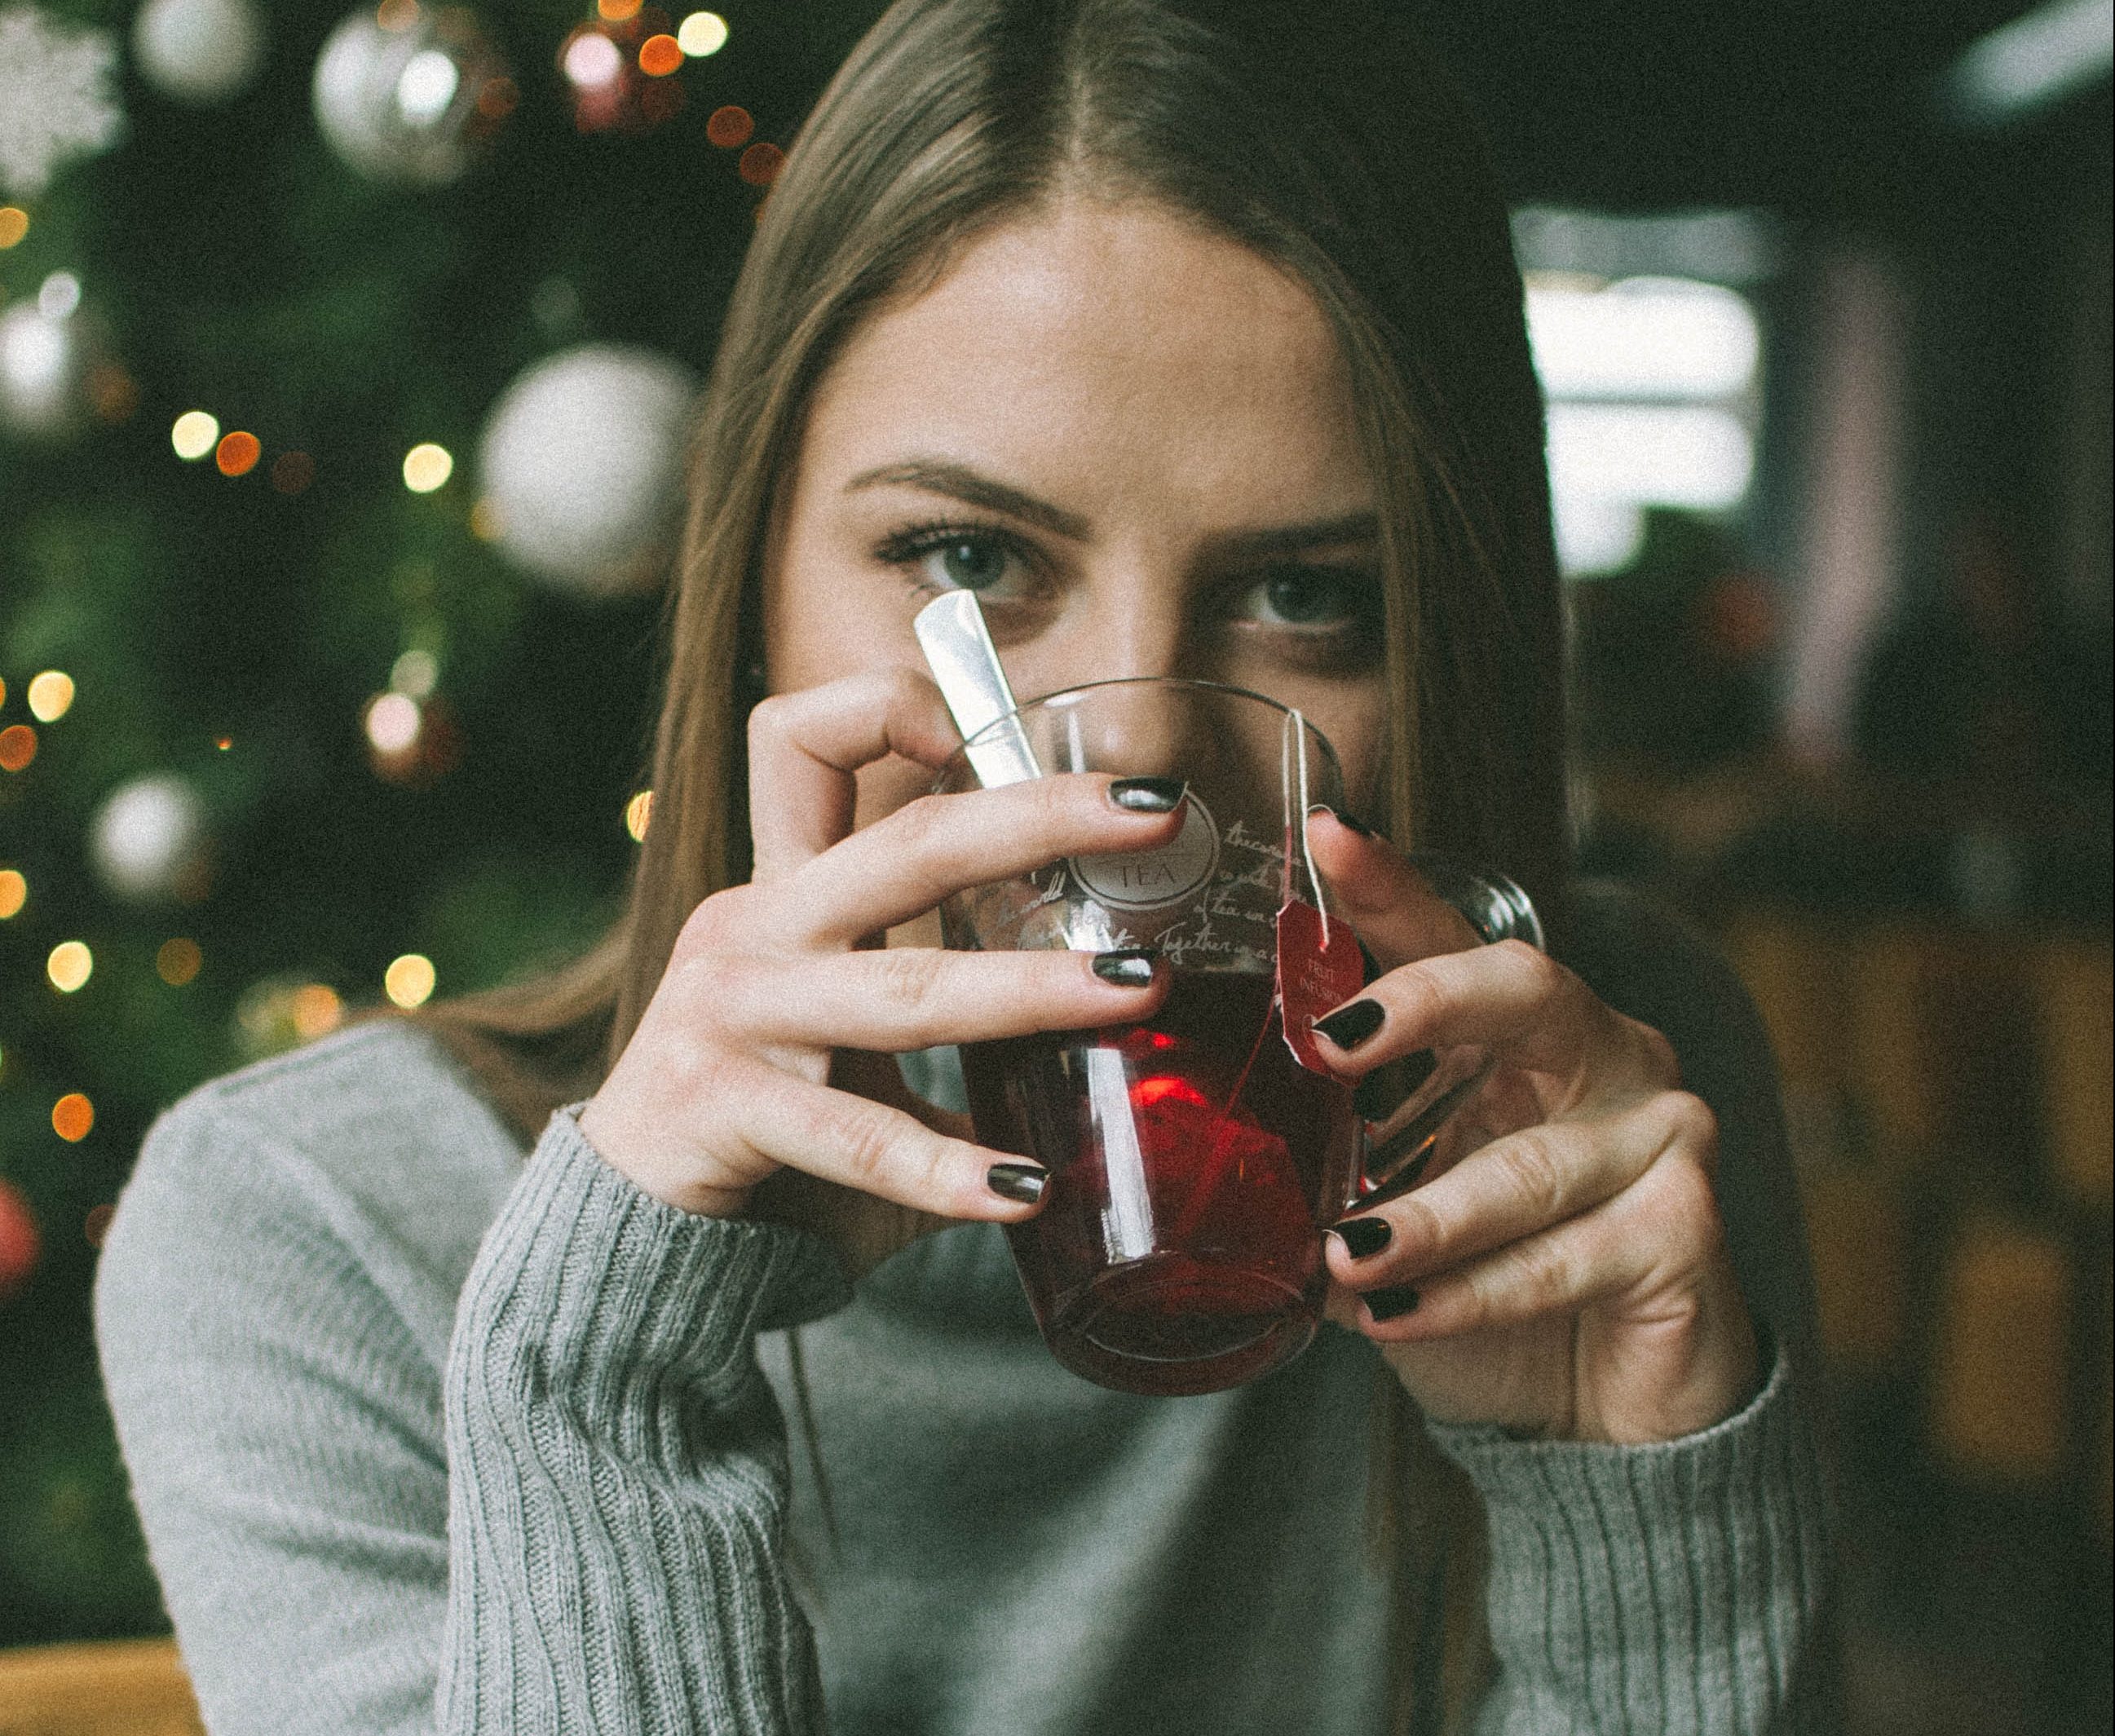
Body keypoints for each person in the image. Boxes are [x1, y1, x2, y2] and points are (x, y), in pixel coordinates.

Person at [95, 2, 1836, 1731]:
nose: (1141, 749)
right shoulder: (323, 1225)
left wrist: (1628, 1519)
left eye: (1310, 595)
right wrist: (598, 1390)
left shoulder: (1589, 1105)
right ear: (755, 574)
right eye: (968, 553)